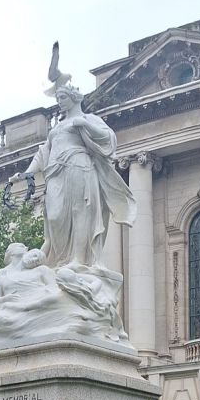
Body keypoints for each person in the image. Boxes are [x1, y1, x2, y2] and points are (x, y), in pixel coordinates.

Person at [23, 47, 135, 269]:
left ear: (74, 98)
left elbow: (109, 139)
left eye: (63, 97)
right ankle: (60, 260)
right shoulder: (58, 128)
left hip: (78, 167)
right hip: (55, 176)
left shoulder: (88, 118)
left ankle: (78, 259)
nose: (60, 102)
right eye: (58, 98)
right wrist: (27, 172)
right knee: (54, 218)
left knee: (80, 211)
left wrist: (84, 125)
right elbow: (44, 152)